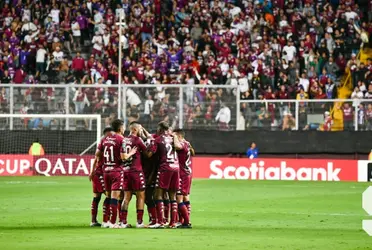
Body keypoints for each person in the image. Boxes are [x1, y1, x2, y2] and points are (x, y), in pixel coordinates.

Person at [91, 119, 137, 228]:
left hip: (105, 171)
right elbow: (123, 157)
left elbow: (97, 154)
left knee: (107, 196)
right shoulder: (122, 139)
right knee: (114, 198)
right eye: (124, 127)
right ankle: (113, 223)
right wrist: (131, 152)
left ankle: (105, 221)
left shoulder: (104, 139)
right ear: (121, 128)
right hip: (116, 171)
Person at [148, 121, 184, 229]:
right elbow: (179, 147)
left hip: (165, 168)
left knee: (158, 194)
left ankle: (160, 222)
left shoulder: (158, 140)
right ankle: (172, 223)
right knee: (172, 195)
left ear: (159, 129)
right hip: (175, 167)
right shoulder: (173, 138)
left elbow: (150, 154)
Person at [119, 122, 152, 228]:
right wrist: (151, 143)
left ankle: (123, 222)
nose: (141, 132)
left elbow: (122, 156)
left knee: (126, 197)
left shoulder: (123, 140)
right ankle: (139, 222)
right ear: (135, 130)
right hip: (136, 171)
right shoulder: (137, 140)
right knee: (141, 196)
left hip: (125, 171)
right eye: (140, 130)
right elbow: (147, 154)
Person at [89, 127, 113, 227]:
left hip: (99, 173)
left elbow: (95, 159)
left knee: (97, 197)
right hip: (100, 174)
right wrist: (92, 172)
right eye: (109, 134)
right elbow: (96, 158)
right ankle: (105, 220)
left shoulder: (105, 143)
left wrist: (91, 172)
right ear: (105, 134)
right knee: (107, 196)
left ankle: (94, 221)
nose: (111, 136)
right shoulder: (104, 142)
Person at [174, 129, 194, 227]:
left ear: (179, 136)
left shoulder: (181, 144)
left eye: (175, 135)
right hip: (187, 173)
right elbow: (192, 153)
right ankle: (182, 220)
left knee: (179, 198)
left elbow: (177, 146)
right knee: (186, 197)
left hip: (182, 174)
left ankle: (186, 222)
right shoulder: (187, 143)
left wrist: (173, 137)